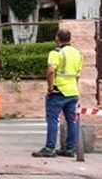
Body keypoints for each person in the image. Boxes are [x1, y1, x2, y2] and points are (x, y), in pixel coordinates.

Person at [34, 29, 84, 158]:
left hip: (58, 91)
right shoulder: (78, 53)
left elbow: (51, 71)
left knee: (52, 120)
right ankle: (70, 149)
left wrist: (50, 88)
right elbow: (77, 75)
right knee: (71, 121)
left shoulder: (56, 53)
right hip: (72, 91)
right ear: (70, 38)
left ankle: (50, 148)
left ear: (57, 38)